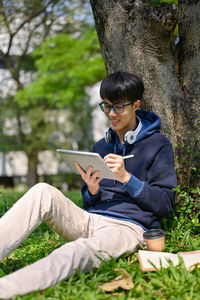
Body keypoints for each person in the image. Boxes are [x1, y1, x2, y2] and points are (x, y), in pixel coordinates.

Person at [0, 71, 176, 298]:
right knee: (42, 191)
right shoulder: (100, 147)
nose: (111, 114)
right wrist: (92, 191)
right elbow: (88, 202)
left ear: (136, 105)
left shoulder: (158, 145)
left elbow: (165, 204)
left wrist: (126, 178)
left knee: (77, 251)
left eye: (118, 107)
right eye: (106, 106)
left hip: (128, 228)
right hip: (90, 219)